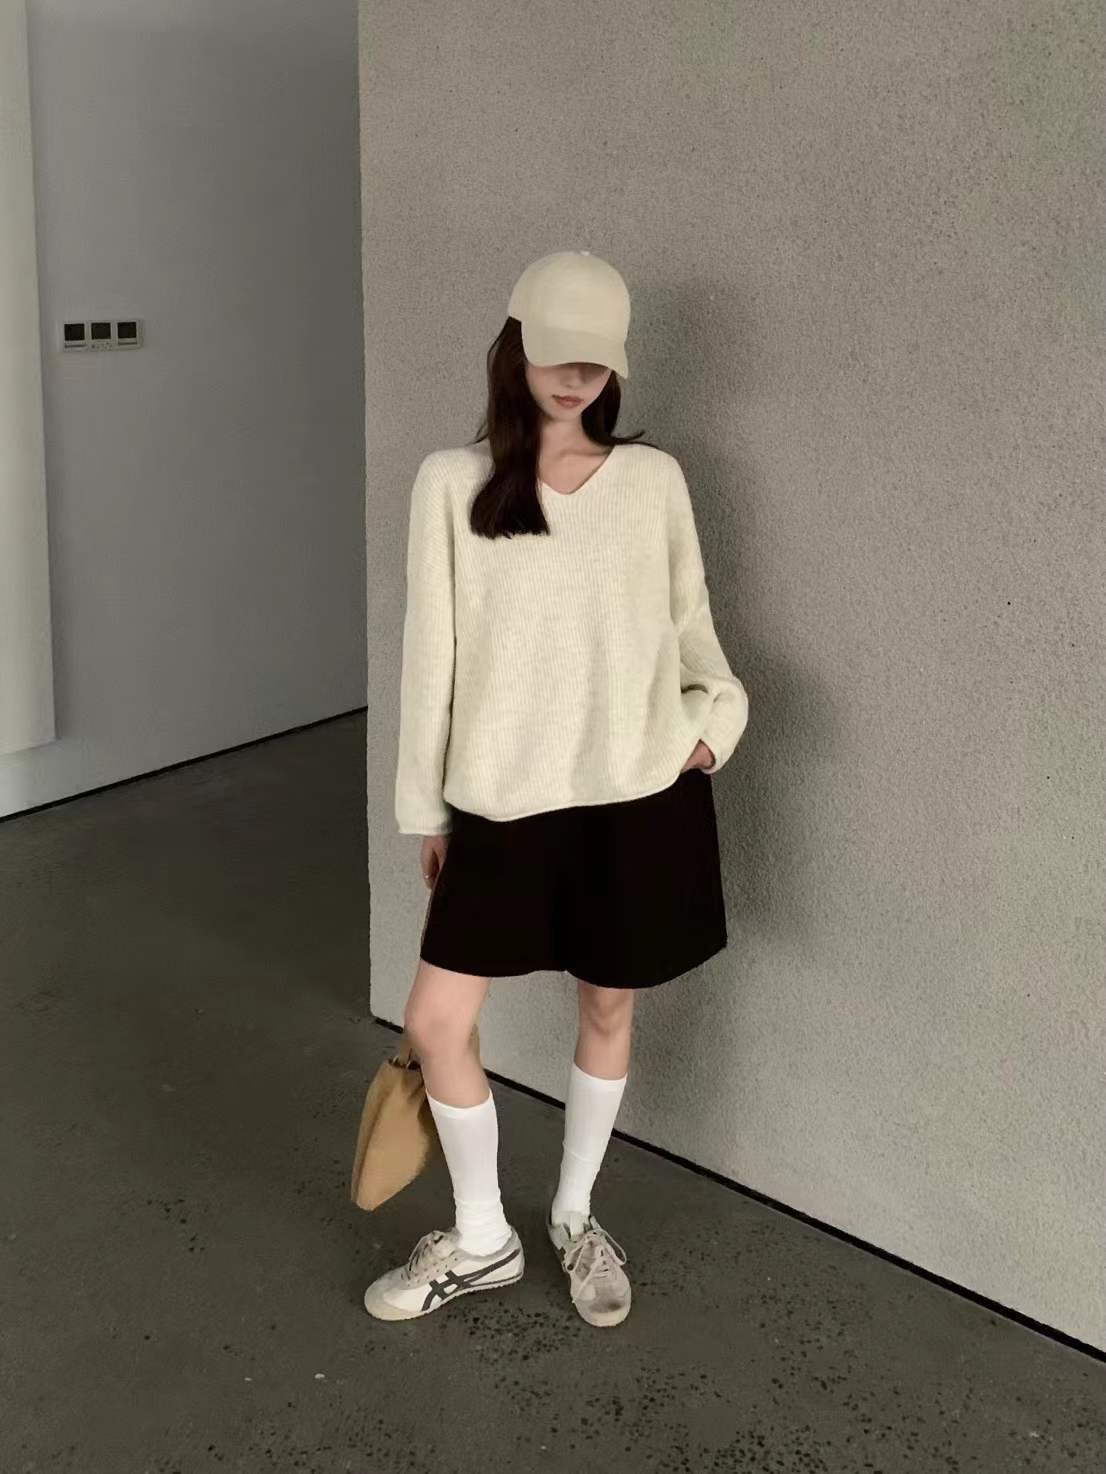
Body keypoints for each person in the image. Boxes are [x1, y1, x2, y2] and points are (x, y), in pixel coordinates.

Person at [363, 250, 749, 1329]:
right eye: (556, 354)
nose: (576, 377)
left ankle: (575, 1216)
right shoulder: (452, 482)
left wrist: (708, 733)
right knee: (437, 1019)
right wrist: (429, 809)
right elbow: (428, 660)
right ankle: (482, 1235)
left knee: (607, 1004)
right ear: (514, 348)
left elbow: (693, 637)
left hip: (634, 797)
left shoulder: (653, 481)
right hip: (502, 801)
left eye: (596, 359)